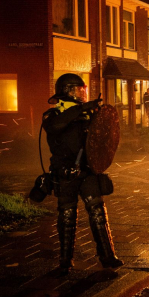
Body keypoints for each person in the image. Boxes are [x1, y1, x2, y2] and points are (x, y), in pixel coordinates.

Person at [43, 73, 124, 275]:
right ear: (68, 91)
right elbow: (57, 126)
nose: (82, 93)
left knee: (97, 212)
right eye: (79, 90)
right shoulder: (52, 115)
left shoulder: (88, 115)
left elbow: (103, 138)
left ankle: (108, 256)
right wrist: (82, 109)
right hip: (65, 173)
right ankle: (65, 261)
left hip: (87, 171)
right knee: (67, 216)